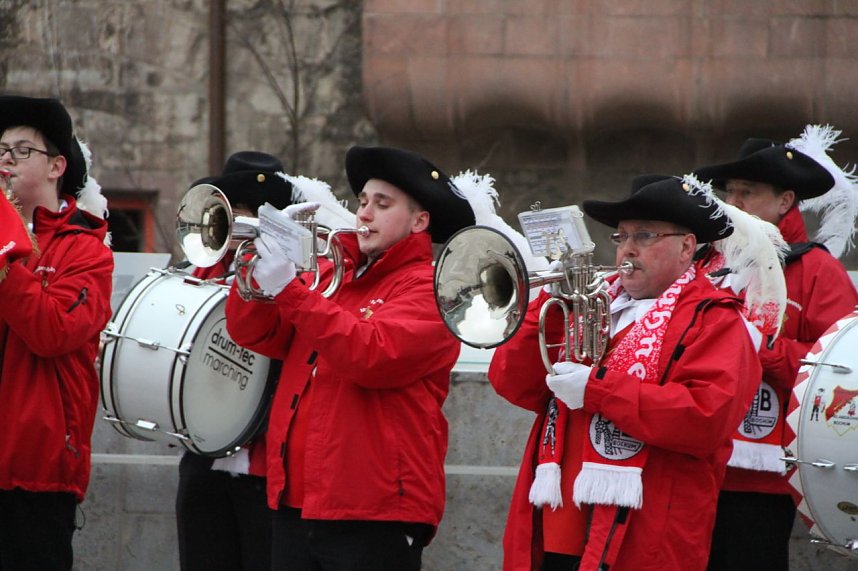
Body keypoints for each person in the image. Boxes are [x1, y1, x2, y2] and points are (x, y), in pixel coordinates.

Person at [488, 174, 763, 571]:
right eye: (621, 237)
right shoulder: (594, 302)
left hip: (642, 533)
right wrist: (545, 307)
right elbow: (510, 382)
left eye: (645, 236)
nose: (627, 250)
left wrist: (598, 390)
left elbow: (706, 417)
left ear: (687, 247)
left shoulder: (715, 319)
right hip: (554, 520)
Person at [224, 146, 476, 570]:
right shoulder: (330, 275)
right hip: (296, 501)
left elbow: (370, 355)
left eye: (382, 204)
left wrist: (290, 290)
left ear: (419, 221)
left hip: (374, 510)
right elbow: (254, 333)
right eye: (361, 202)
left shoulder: (434, 291)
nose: (364, 214)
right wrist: (258, 270)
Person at [695, 125, 858, 571]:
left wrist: (756, 351)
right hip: (695, 461)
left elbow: (837, 373)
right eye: (729, 192)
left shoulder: (818, 271)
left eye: (747, 192)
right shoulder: (706, 261)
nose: (733, 203)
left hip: (762, 470)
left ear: (785, 201)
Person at [0, 95, 113, 570]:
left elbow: (52, 331)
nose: (5, 159)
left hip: (35, 472)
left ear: (56, 167)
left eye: (21, 150)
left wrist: (6, 258)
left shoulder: (87, 251)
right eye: (0, 149)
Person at [175, 151, 294, 571]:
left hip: (263, 465)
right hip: (203, 460)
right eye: (235, 212)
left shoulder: (292, 276)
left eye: (254, 214)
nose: (243, 226)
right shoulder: (199, 271)